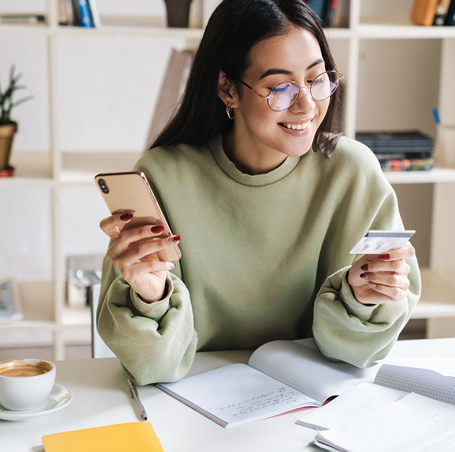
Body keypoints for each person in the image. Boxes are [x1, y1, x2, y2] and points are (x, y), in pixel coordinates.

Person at [95, 0, 421, 384]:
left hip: (315, 398)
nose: (306, 105)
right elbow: (154, 367)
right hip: (193, 400)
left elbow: (357, 356)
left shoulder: (353, 172)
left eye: (318, 79)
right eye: (279, 88)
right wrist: (150, 296)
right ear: (227, 89)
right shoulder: (162, 176)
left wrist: (364, 297)